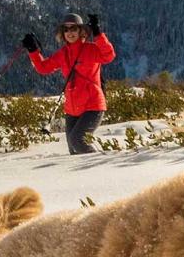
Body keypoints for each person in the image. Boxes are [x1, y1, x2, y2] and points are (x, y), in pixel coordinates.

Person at [22, 10, 115, 154]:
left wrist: (97, 33)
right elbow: (43, 67)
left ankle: (99, 166)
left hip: (93, 105)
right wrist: (33, 50)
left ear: (81, 31)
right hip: (72, 108)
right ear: (62, 33)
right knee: (73, 149)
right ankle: (85, 174)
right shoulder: (63, 53)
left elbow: (108, 55)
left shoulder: (91, 49)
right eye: (66, 29)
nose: (70, 32)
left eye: (74, 28)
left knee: (77, 140)